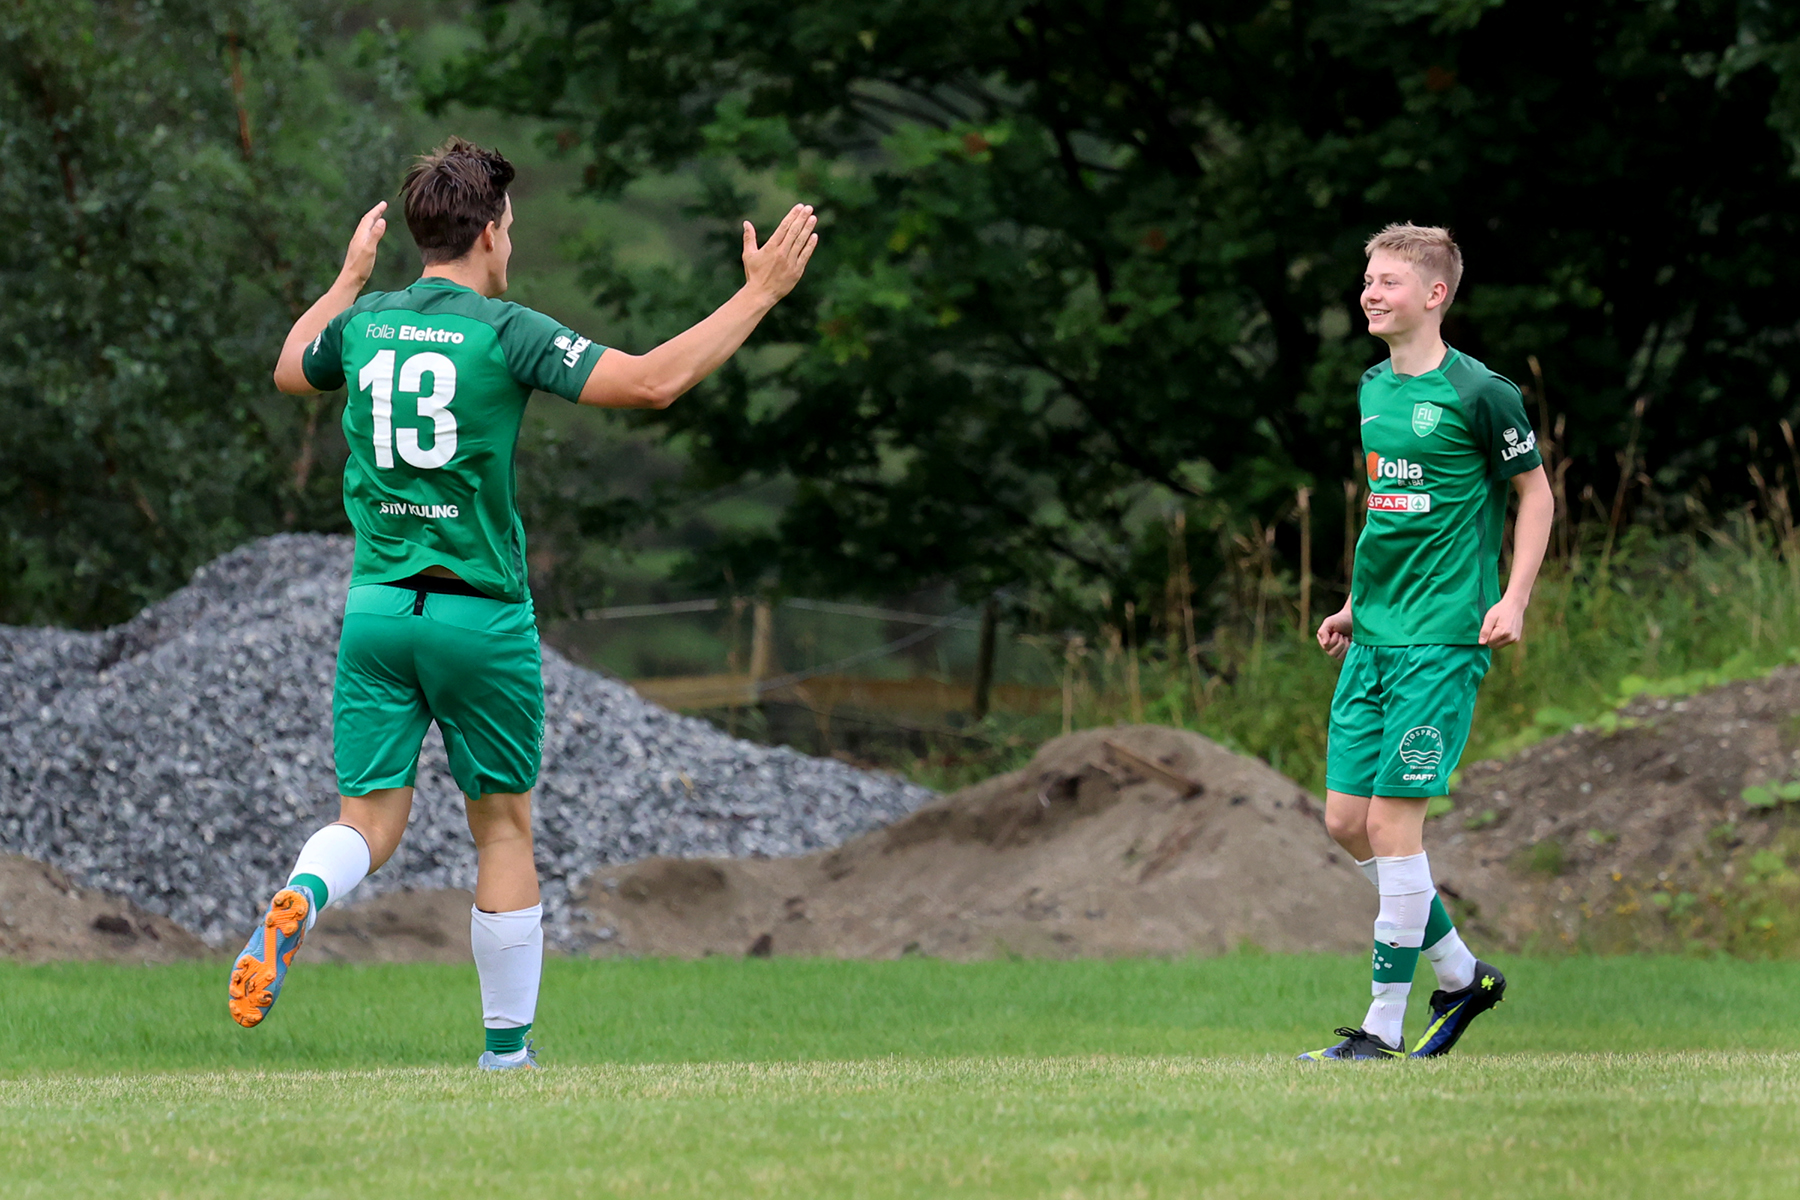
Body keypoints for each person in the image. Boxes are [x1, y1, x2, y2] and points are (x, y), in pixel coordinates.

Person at [233, 137, 818, 1069]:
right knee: (501, 825)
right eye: (512, 226)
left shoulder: (369, 321)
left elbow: (291, 365)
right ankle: (506, 1056)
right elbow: (653, 381)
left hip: (379, 612)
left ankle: (305, 890)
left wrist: (347, 278)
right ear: (490, 232)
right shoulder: (507, 333)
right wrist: (758, 295)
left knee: (368, 823)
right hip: (480, 615)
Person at [1297, 224, 1553, 1062]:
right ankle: (1463, 975)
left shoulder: (1483, 392)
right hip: (1374, 635)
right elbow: (1390, 516)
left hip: (1442, 640)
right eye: (1366, 279)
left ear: (1435, 294)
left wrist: (1512, 599)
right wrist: (1350, 604)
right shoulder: (1373, 388)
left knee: (1392, 823)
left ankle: (1381, 1028)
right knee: (1345, 822)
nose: (1370, 293)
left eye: (1388, 282)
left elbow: (1536, 497)